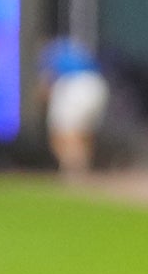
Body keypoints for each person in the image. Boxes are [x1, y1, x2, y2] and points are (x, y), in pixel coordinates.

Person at [37, 35, 110, 177]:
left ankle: (74, 170)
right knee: (84, 132)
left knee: (62, 133)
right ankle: (82, 167)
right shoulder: (77, 50)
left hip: (74, 85)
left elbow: (46, 85)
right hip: (97, 84)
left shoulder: (49, 52)